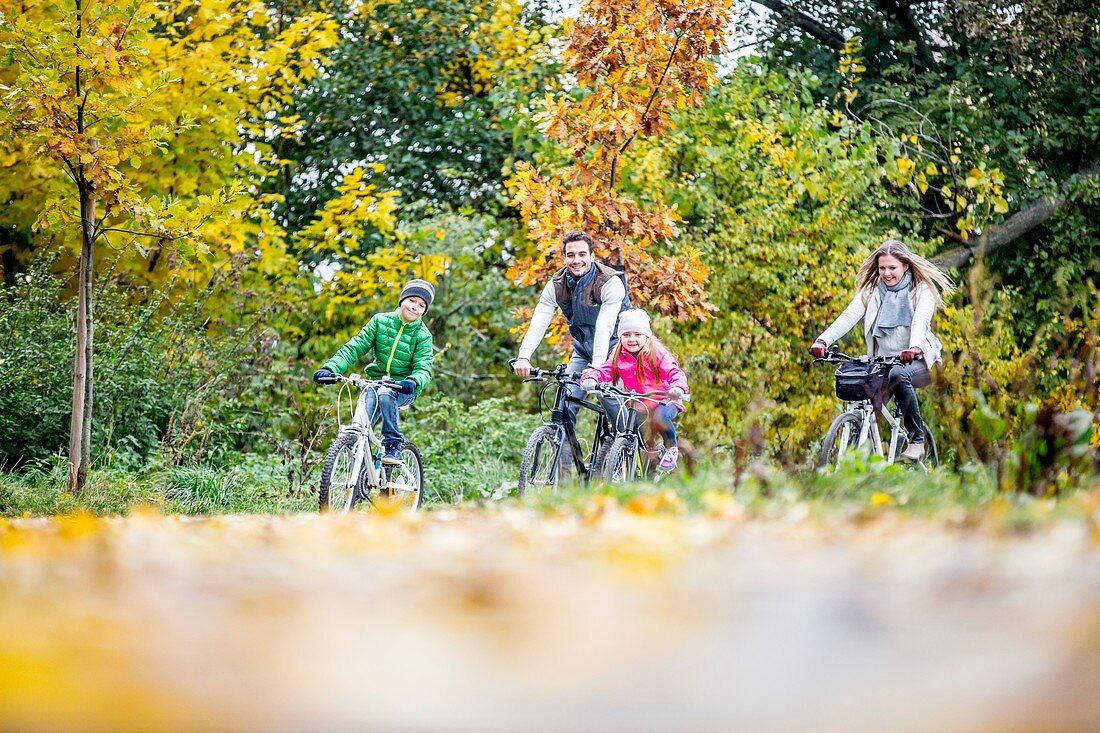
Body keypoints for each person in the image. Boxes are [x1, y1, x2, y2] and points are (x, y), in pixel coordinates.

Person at [809, 239, 954, 462]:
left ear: (905, 266)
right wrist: (822, 341)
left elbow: (920, 322)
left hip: (918, 361)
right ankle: (865, 458)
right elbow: (849, 316)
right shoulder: (872, 292)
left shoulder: (920, 291)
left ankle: (916, 440)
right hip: (884, 361)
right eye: (882, 268)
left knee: (898, 374)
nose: (886, 273)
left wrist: (914, 347)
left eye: (892, 267)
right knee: (863, 390)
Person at [313, 279, 435, 464]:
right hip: (376, 383)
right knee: (358, 427)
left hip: (403, 388)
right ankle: (361, 474)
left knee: (387, 394)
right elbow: (354, 347)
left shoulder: (423, 335)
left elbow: (424, 366)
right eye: (412, 300)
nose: (415, 307)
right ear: (402, 300)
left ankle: (393, 444)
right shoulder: (380, 321)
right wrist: (330, 368)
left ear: (424, 311)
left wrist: (413, 381)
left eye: (421, 305)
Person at [579, 309, 689, 472]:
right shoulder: (618, 355)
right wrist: (591, 378)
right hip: (638, 402)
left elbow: (673, 371)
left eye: (637, 334)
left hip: (665, 399)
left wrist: (678, 387)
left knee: (661, 417)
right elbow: (605, 370)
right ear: (620, 337)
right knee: (628, 435)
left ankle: (671, 448)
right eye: (626, 334)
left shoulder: (657, 353)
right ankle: (621, 470)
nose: (632, 339)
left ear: (647, 336)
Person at [511, 230, 631, 379]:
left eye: (582, 254)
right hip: (583, 351)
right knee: (567, 393)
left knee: (606, 396)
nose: (576, 260)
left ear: (592, 257)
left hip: (615, 350)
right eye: (571, 255)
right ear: (564, 258)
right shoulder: (557, 284)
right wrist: (524, 356)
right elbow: (539, 320)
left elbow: (604, 326)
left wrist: (597, 368)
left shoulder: (609, 282)